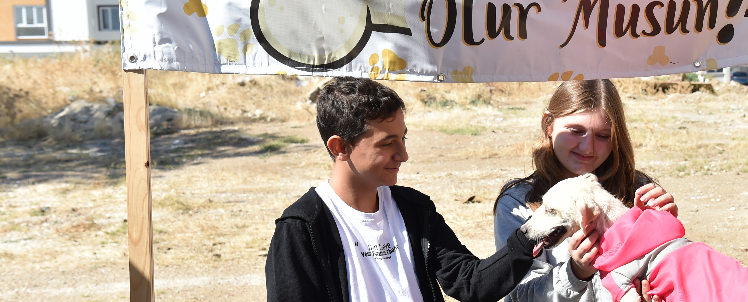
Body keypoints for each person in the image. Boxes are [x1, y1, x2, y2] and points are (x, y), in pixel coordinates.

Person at [265, 77, 538, 302]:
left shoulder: (415, 209)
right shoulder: (302, 228)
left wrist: (535, 231)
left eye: (403, 139)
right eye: (387, 143)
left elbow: (471, 283)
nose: (403, 155)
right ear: (340, 147)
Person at [492, 79, 677, 302]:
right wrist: (575, 273)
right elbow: (520, 295)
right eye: (576, 131)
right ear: (548, 124)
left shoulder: (637, 190)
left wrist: (662, 228)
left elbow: (667, 275)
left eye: (603, 135)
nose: (588, 147)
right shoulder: (517, 204)